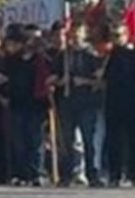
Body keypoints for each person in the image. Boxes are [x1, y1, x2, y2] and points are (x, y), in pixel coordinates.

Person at [54, 22, 103, 187]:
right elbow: (54, 77)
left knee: (88, 140)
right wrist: (60, 81)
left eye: (78, 33)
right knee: (66, 141)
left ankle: (92, 174)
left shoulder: (92, 56)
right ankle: (65, 175)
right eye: (72, 33)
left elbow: (101, 81)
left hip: (86, 103)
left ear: (84, 34)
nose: (75, 37)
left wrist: (85, 81)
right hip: (67, 102)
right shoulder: (63, 56)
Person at [3, 24, 48, 185]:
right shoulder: (10, 61)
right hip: (16, 104)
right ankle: (21, 174)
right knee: (18, 142)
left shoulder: (40, 59)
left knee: (35, 141)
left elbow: (47, 78)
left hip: (35, 105)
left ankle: (37, 173)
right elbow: (6, 80)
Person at [102, 23, 135, 187]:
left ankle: (132, 173)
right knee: (114, 139)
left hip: (131, 103)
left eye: (119, 35)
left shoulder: (131, 54)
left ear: (126, 35)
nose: (116, 39)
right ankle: (114, 174)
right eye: (113, 36)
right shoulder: (110, 55)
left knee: (132, 139)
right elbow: (104, 78)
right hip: (113, 103)